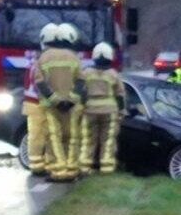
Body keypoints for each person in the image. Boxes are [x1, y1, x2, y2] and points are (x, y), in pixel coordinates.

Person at [34, 22, 84, 181]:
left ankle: (59, 171)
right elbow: (81, 81)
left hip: (51, 106)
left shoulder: (43, 58)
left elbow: (39, 82)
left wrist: (55, 100)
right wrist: (71, 100)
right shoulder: (74, 57)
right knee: (72, 138)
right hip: (72, 107)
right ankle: (72, 169)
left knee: (54, 138)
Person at [79, 42, 124, 175]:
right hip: (110, 112)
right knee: (108, 140)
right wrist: (121, 112)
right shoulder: (114, 74)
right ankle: (106, 168)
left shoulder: (86, 73)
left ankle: (84, 167)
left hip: (90, 111)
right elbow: (120, 95)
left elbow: (81, 93)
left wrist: (81, 108)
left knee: (88, 140)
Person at [20, 26, 53, 177]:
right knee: (48, 135)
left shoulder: (35, 58)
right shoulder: (47, 60)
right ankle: (45, 165)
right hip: (41, 102)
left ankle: (37, 165)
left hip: (32, 102)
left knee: (36, 136)